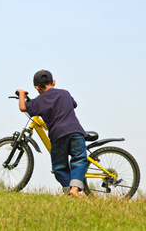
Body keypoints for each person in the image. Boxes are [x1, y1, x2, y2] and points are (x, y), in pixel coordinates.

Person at [16, 69, 88, 198]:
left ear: (36, 87)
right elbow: (74, 104)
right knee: (79, 159)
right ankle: (74, 189)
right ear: (53, 82)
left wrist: (21, 94)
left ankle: (69, 190)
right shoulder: (65, 93)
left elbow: (23, 107)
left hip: (58, 135)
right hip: (75, 132)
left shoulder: (39, 100)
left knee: (59, 167)